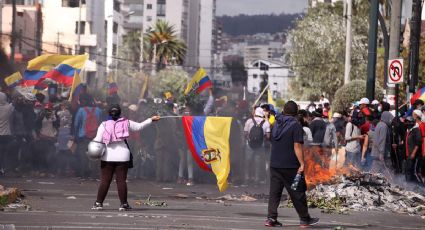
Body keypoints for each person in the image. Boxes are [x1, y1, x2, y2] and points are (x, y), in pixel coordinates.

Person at [92, 104, 160, 211]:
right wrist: (151, 119)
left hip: (107, 156)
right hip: (123, 156)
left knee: (105, 180)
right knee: (121, 181)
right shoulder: (126, 122)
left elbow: (97, 139)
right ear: (120, 113)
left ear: (109, 113)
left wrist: (93, 152)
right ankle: (123, 204)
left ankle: (98, 203)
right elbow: (139, 126)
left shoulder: (104, 125)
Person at [265, 101, 319, 227]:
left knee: (275, 192)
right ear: (296, 113)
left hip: (275, 164)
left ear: (284, 110)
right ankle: (305, 219)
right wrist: (302, 163)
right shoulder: (295, 125)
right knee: (297, 191)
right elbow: (297, 145)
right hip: (290, 166)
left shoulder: (276, 123)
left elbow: (271, 140)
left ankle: (271, 219)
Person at [73, 94, 102, 177]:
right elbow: (100, 123)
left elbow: (76, 124)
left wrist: (76, 135)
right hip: (95, 136)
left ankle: (84, 174)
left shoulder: (81, 110)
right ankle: (94, 174)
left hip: (83, 136)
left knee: (83, 155)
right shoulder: (98, 110)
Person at [244, 107, 271, 184]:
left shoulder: (249, 121)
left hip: (249, 144)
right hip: (260, 145)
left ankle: (247, 178)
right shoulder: (266, 123)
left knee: (247, 162)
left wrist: (249, 138)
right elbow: (268, 136)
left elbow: (245, 133)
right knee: (258, 163)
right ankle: (256, 179)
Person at [0, 92, 13, 175]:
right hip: (5, 134)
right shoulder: (8, 108)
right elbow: (14, 103)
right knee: (3, 152)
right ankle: (2, 167)